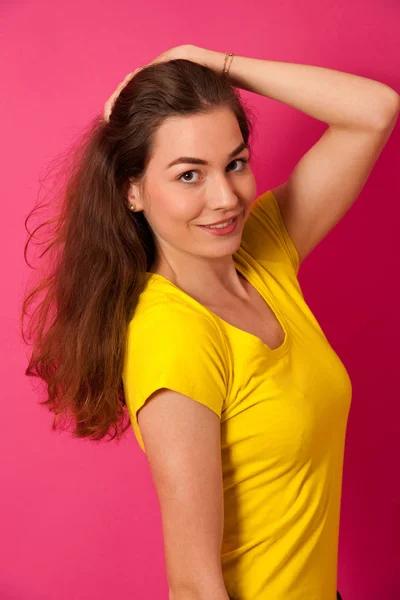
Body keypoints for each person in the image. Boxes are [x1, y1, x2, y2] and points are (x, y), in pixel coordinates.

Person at [21, 44, 399, 600]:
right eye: (189, 175)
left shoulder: (263, 252)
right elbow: (195, 588)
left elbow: (375, 110)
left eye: (235, 164)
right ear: (132, 190)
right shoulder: (174, 336)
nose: (225, 199)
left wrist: (209, 61)